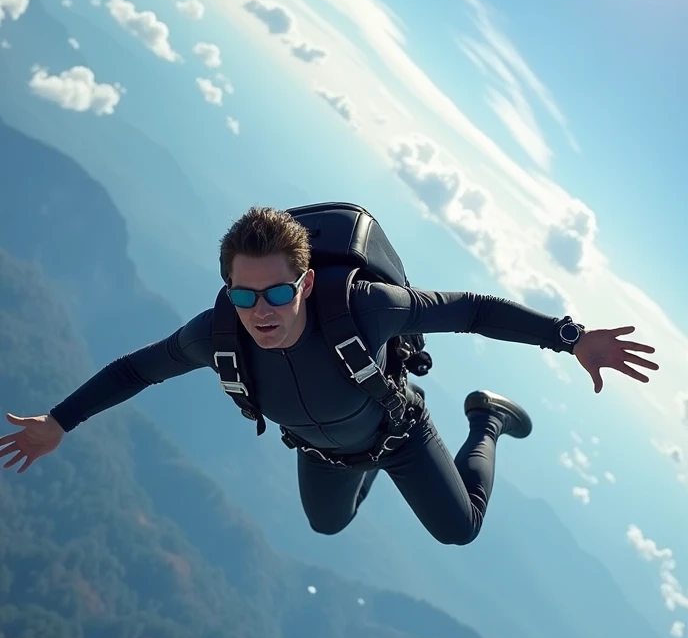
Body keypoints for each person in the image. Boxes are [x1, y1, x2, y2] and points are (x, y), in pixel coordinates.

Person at [1, 207, 659, 546]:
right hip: (325, 448)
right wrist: (59, 422)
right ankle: (368, 460)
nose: (261, 312)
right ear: (227, 287)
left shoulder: (365, 309)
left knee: (459, 529)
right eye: (243, 295)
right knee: (327, 526)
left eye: (279, 295)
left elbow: (472, 310)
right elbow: (136, 368)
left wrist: (567, 337)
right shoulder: (217, 335)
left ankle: (487, 419)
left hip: (398, 432)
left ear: (307, 283)